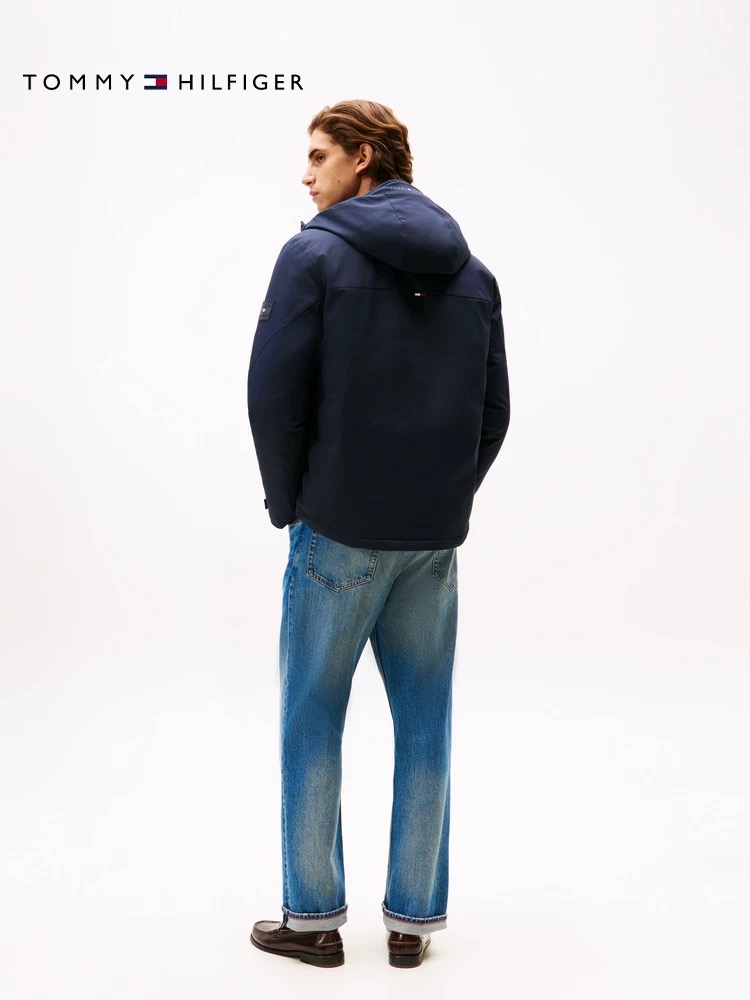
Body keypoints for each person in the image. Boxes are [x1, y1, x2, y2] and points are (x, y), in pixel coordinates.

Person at [246, 99, 510, 969]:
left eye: (319, 156)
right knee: (426, 721)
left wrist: (291, 504)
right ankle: (412, 924)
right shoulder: (475, 274)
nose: (306, 174)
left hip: (337, 531)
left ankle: (313, 921)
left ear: (364, 158)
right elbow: (494, 412)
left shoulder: (312, 256)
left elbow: (272, 397)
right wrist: (443, 501)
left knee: (311, 719)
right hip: (431, 539)